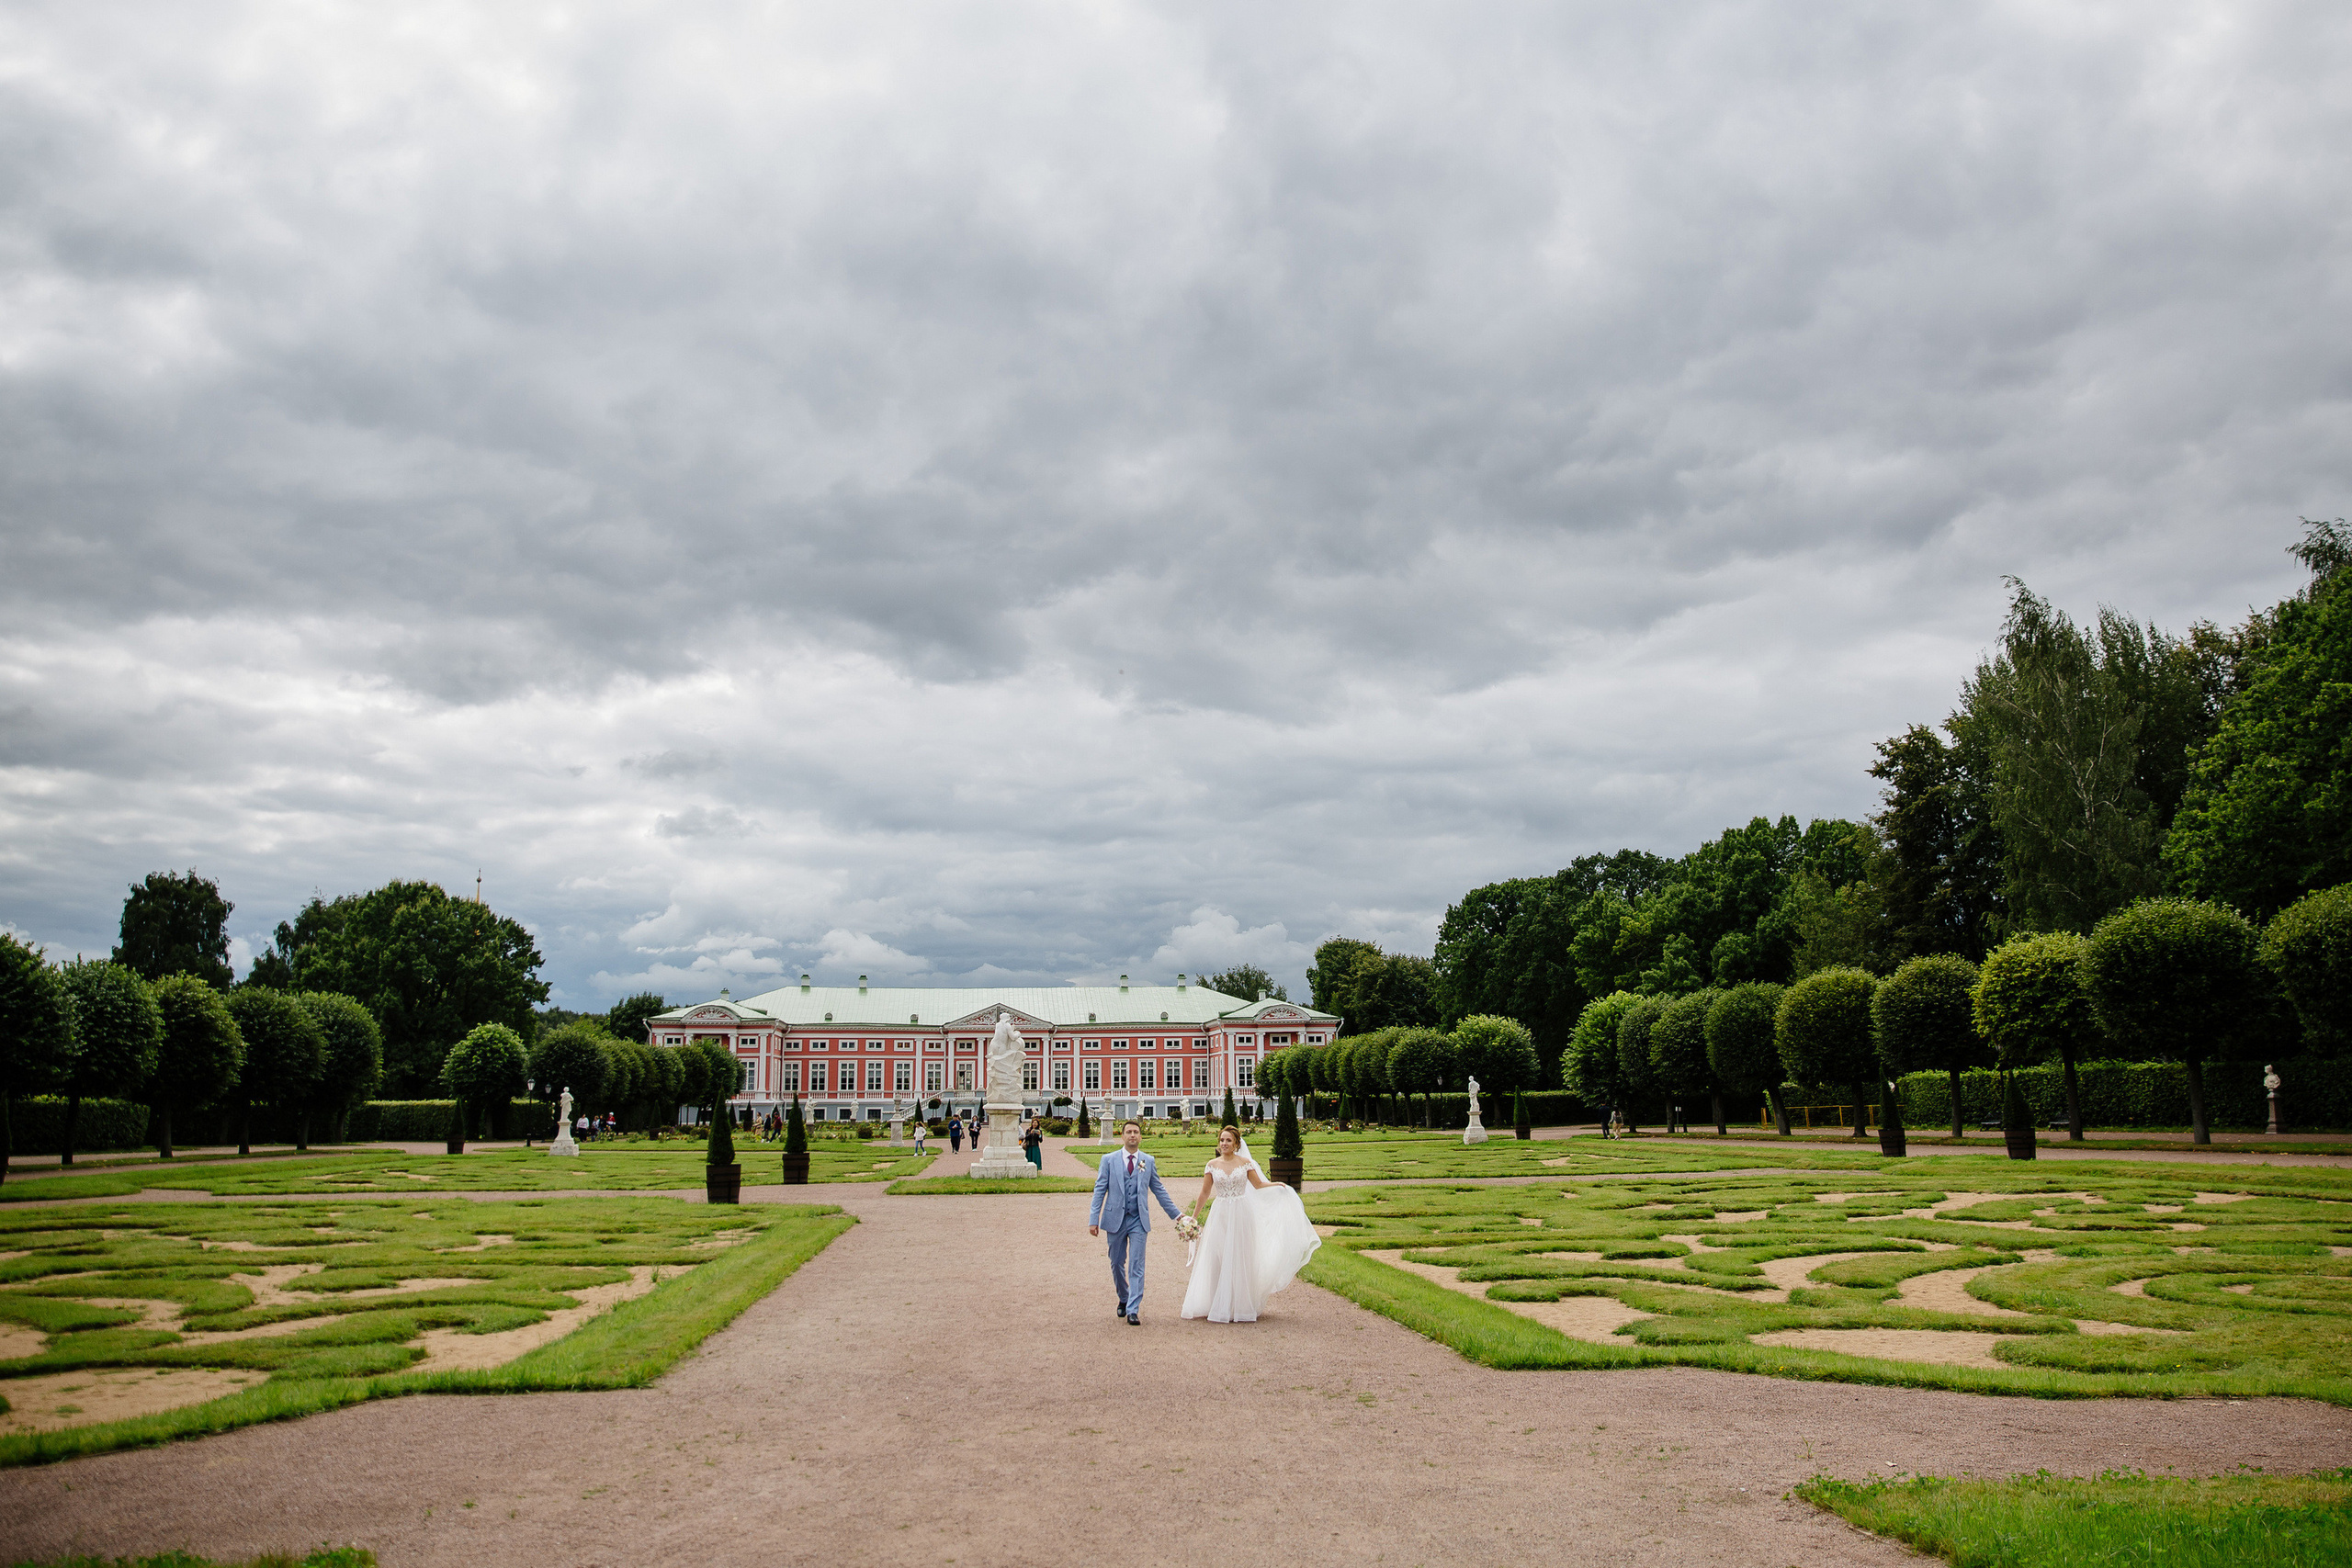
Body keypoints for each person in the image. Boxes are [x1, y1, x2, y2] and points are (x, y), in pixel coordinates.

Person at [1179, 1123, 1322, 1324]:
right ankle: (1217, 1303)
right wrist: (1193, 1217)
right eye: (1222, 1140)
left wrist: (1277, 1185)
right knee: (1218, 1255)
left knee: (1240, 1256)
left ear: (1236, 1144)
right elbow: (1205, 1192)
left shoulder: (1245, 1163)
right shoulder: (1212, 1165)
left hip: (1241, 1213)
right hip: (1220, 1213)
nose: (1224, 1143)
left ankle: (1239, 1305)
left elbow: (1258, 1185)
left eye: (1228, 1140)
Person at [1088, 1119, 1181, 1325]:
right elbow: (1099, 1190)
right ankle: (1124, 1296)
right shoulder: (1108, 1160)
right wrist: (1093, 1219)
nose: (1132, 1135)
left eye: (1136, 1132)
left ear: (1140, 1137)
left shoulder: (1148, 1161)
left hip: (1138, 1220)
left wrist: (1177, 1215)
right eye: (1129, 1132)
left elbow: (1159, 1190)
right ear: (1122, 1136)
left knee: (1137, 1264)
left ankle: (1133, 1309)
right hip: (1115, 1219)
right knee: (1116, 1262)